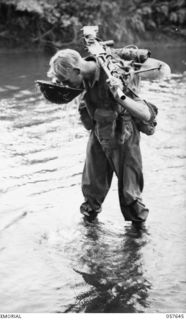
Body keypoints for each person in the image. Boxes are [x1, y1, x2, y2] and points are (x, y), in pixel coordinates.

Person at [47, 48, 170, 226]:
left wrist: (119, 96)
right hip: (98, 131)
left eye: (66, 81)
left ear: (76, 70)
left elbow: (146, 115)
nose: (67, 85)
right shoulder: (82, 75)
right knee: (91, 190)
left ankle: (137, 240)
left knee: (130, 194)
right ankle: (90, 231)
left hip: (123, 135)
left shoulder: (114, 75)